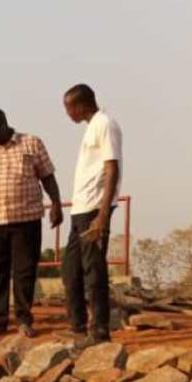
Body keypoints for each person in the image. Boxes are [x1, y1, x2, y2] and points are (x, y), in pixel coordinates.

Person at [0, 108, 63, 337]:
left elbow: (47, 176)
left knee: (24, 272)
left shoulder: (31, 143)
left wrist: (56, 204)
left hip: (26, 219)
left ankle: (23, 319)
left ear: (2, 124)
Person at [62, 84, 123, 341]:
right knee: (70, 269)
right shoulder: (92, 127)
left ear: (80, 105)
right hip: (80, 208)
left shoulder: (105, 124)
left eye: (69, 108)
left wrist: (102, 215)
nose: (68, 114)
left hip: (94, 209)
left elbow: (112, 169)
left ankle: (99, 330)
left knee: (93, 270)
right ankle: (77, 325)